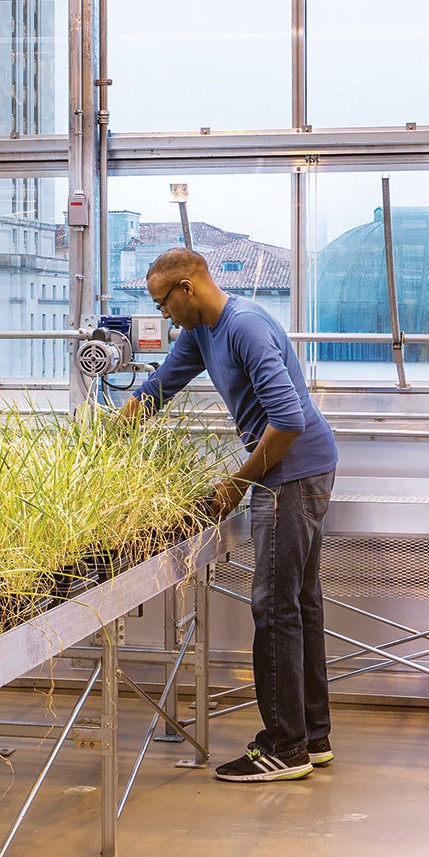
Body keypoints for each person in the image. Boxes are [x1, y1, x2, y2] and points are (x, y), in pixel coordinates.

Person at [119, 243, 338, 784]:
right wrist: (114, 430)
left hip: (293, 473)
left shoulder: (243, 327)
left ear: (187, 288)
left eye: (164, 304)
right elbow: (160, 387)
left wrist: (238, 484)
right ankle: (312, 734)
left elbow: (288, 421)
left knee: (275, 607)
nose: (164, 317)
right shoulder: (202, 332)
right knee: (300, 603)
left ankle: (284, 748)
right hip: (294, 470)